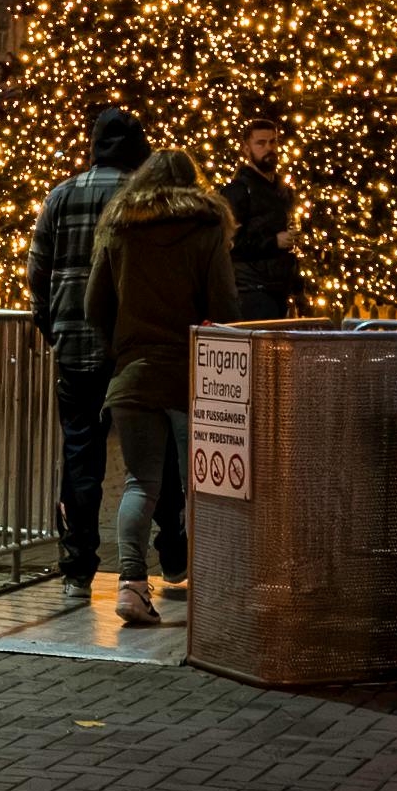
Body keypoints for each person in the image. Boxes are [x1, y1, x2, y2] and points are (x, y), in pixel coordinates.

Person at [83, 150, 239, 626]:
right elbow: (225, 306)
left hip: (133, 376)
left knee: (140, 483)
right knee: (204, 485)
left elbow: (94, 305)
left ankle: (130, 585)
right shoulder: (207, 228)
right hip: (195, 376)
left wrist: (124, 349)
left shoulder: (120, 228)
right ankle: (213, 584)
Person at [26, 105, 148, 591]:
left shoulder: (61, 195)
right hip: (128, 344)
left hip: (73, 341)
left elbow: (38, 267)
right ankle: (162, 557)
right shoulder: (139, 197)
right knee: (147, 456)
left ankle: (78, 565)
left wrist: (49, 320)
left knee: (80, 453)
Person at [226, 109, 306, 318]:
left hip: (279, 287)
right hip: (252, 289)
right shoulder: (238, 190)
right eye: (261, 143)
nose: (269, 148)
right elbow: (231, 243)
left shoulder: (282, 189)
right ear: (246, 149)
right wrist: (273, 242)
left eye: (273, 142)